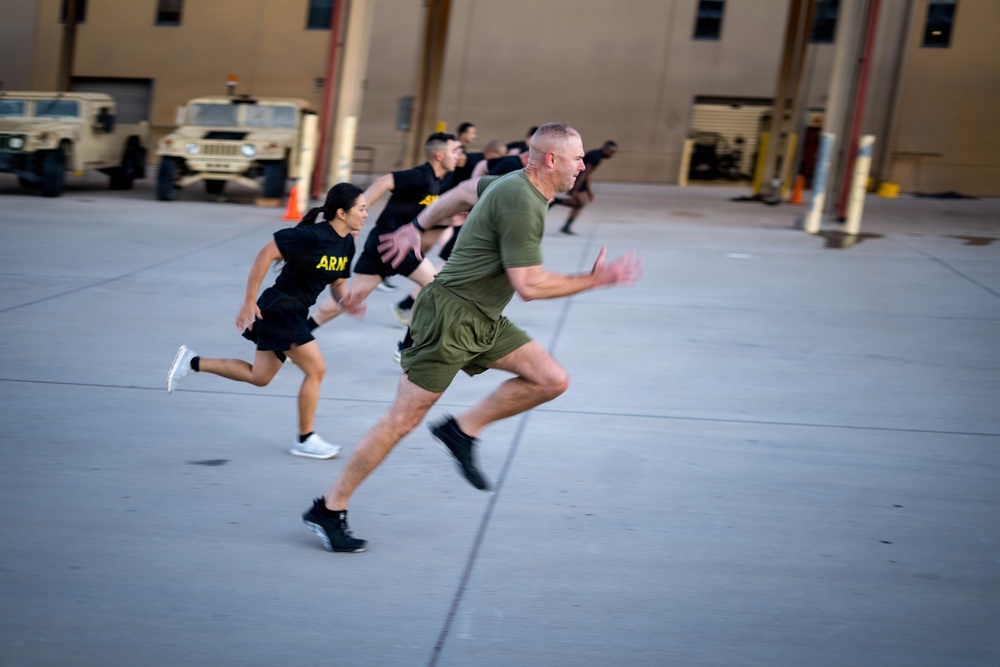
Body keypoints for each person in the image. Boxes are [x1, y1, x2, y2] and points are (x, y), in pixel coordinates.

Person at [301, 123, 643, 553]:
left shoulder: (510, 181)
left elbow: (463, 191)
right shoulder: (523, 202)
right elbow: (530, 285)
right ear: (552, 160)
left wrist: (416, 225)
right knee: (401, 421)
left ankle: (462, 431)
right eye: (577, 159)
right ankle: (329, 509)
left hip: (482, 317)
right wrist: (595, 280)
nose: (582, 166)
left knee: (550, 378)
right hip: (448, 319)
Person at [165, 183, 369, 459]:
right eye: (362, 208)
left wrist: (346, 302)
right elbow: (266, 253)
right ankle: (305, 438)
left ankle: (191, 362)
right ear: (342, 213)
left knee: (259, 377)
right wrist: (249, 299)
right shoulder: (312, 235)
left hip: (294, 312)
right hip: (280, 308)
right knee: (316, 370)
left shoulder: (347, 244)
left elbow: (337, 282)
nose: (366, 213)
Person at [309, 132, 461, 331]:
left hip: (383, 242)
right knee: (437, 288)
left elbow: (419, 212)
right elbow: (384, 182)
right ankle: (409, 345)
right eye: (454, 151)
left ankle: (297, 336)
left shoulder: (435, 181)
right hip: (394, 241)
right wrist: (358, 215)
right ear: (440, 155)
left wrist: (451, 218)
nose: (458, 155)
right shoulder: (420, 176)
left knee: (353, 297)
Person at [392, 141, 518, 329]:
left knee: (440, 263)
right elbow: (467, 184)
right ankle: (407, 306)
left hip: (459, 219)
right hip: (449, 212)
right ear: (491, 152)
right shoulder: (480, 161)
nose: (501, 160)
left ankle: (410, 304)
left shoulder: (495, 164)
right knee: (442, 269)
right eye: (500, 155)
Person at [554, 140, 618, 235]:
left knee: (580, 204)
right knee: (579, 203)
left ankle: (566, 226)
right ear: (607, 150)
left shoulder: (597, 155)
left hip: (580, 181)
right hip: (578, 180)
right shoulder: (596, 157)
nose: (612, 155)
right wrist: (575, 188)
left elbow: (588, 175)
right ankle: (556, 201)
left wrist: (589, 191)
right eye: (612, 152)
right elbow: (584, 173)